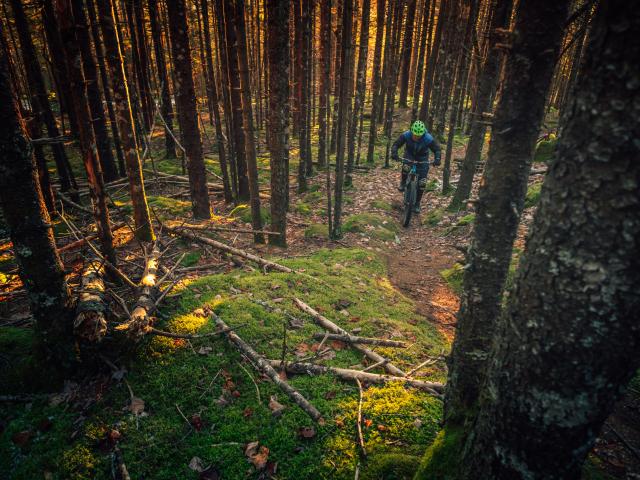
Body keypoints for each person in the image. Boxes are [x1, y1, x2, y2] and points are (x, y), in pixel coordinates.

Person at [391, 120, 441, 213]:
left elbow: (437, 149)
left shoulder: (428, 138)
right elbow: (396, 144)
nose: (416, 137)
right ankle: (403, 182)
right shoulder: (406, 135)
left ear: (423, 133)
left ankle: (417, 203)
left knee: (422, 182)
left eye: (419, 135)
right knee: (406, 167)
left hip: (422, 158)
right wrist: (394, 153)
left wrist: (437, 159)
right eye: (415, 135)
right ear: (412, 131)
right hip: (409, 154)